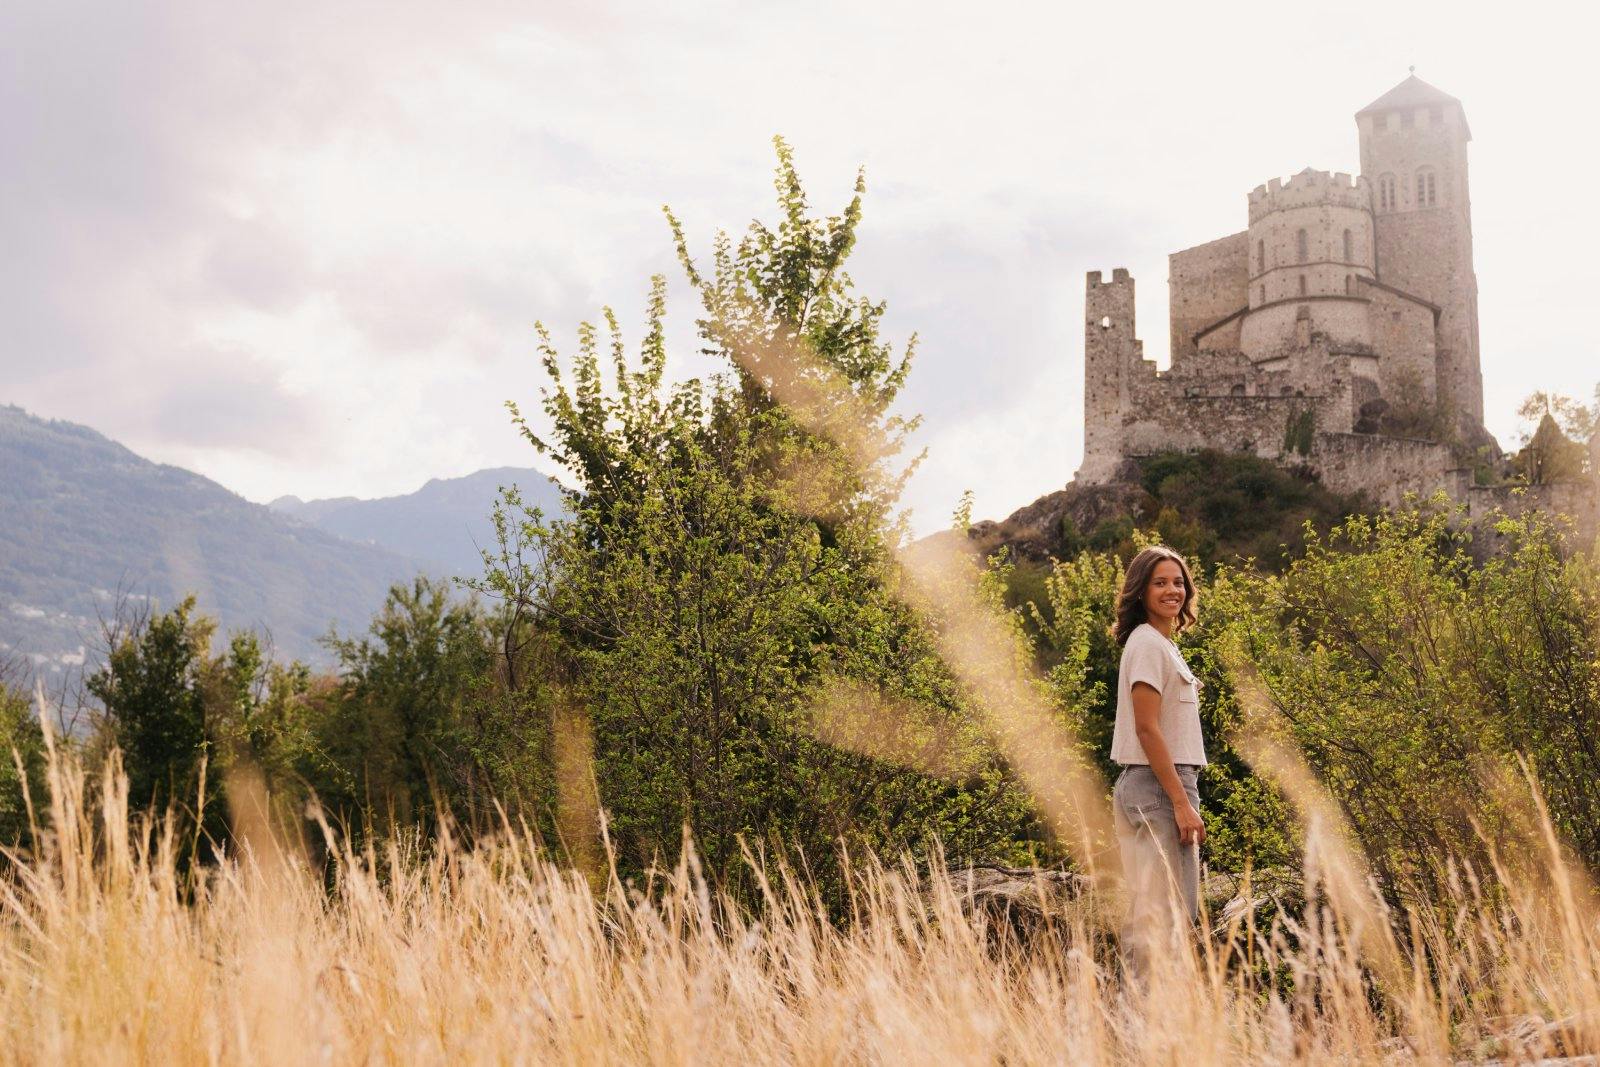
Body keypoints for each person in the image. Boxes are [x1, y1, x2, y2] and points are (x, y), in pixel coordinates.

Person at [1109, 545, 1206, 980]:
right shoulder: (1148, 643)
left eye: (1178, 582)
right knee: (1162, 917)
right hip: (1159, 788)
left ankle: (1137, 1011)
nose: (1172, 590)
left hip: (1148, 786)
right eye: (1160, 582)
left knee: (1152, 912)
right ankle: (1141, 1016)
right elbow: (1147, 729)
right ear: (1140, 591)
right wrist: (1181, 802)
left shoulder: (1161, 645)